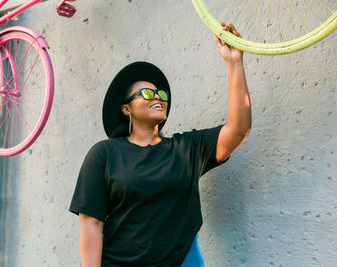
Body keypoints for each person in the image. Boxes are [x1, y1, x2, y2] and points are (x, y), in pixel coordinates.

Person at [69, 23, 251, 266]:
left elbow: (238, 130)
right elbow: (91, 225)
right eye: (146, 93)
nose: (157, 96)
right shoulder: (104, 154)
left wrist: (234, 62)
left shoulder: (187, 149)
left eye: (160, 94)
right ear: (126, 109)